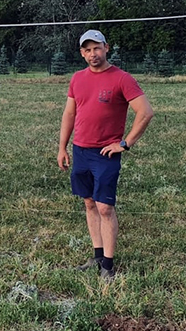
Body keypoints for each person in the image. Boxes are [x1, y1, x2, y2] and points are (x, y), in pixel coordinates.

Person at [57, 30, 154, 280]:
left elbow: (145, 113)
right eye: (87, 50)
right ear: (82, 53)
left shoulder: (122, 79)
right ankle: (97, 255)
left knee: (105, 207)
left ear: (106, 48)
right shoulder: (77, 79)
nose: (93, 54)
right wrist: (62, 147)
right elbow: (69, 114)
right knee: (89, 203)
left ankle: (108, 266)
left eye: (97, 48)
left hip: (105, 154)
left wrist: (125, 143)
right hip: (80, 151)